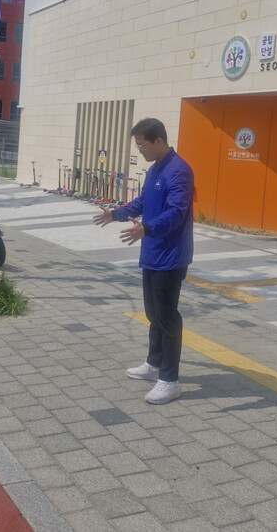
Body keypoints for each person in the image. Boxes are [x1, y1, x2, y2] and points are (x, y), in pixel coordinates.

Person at [93, 118, 193, 405]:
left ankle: (170, 381)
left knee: (167, 318)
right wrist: (115, 214)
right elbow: (143, 203)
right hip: (152, 253)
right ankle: (154, 363)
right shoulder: (155, 169)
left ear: (158, 141)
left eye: (142, 145)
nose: (140, 151)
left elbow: (176, 213)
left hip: (170, 256)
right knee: (153, 313)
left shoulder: (179, 171)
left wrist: (147, 228)